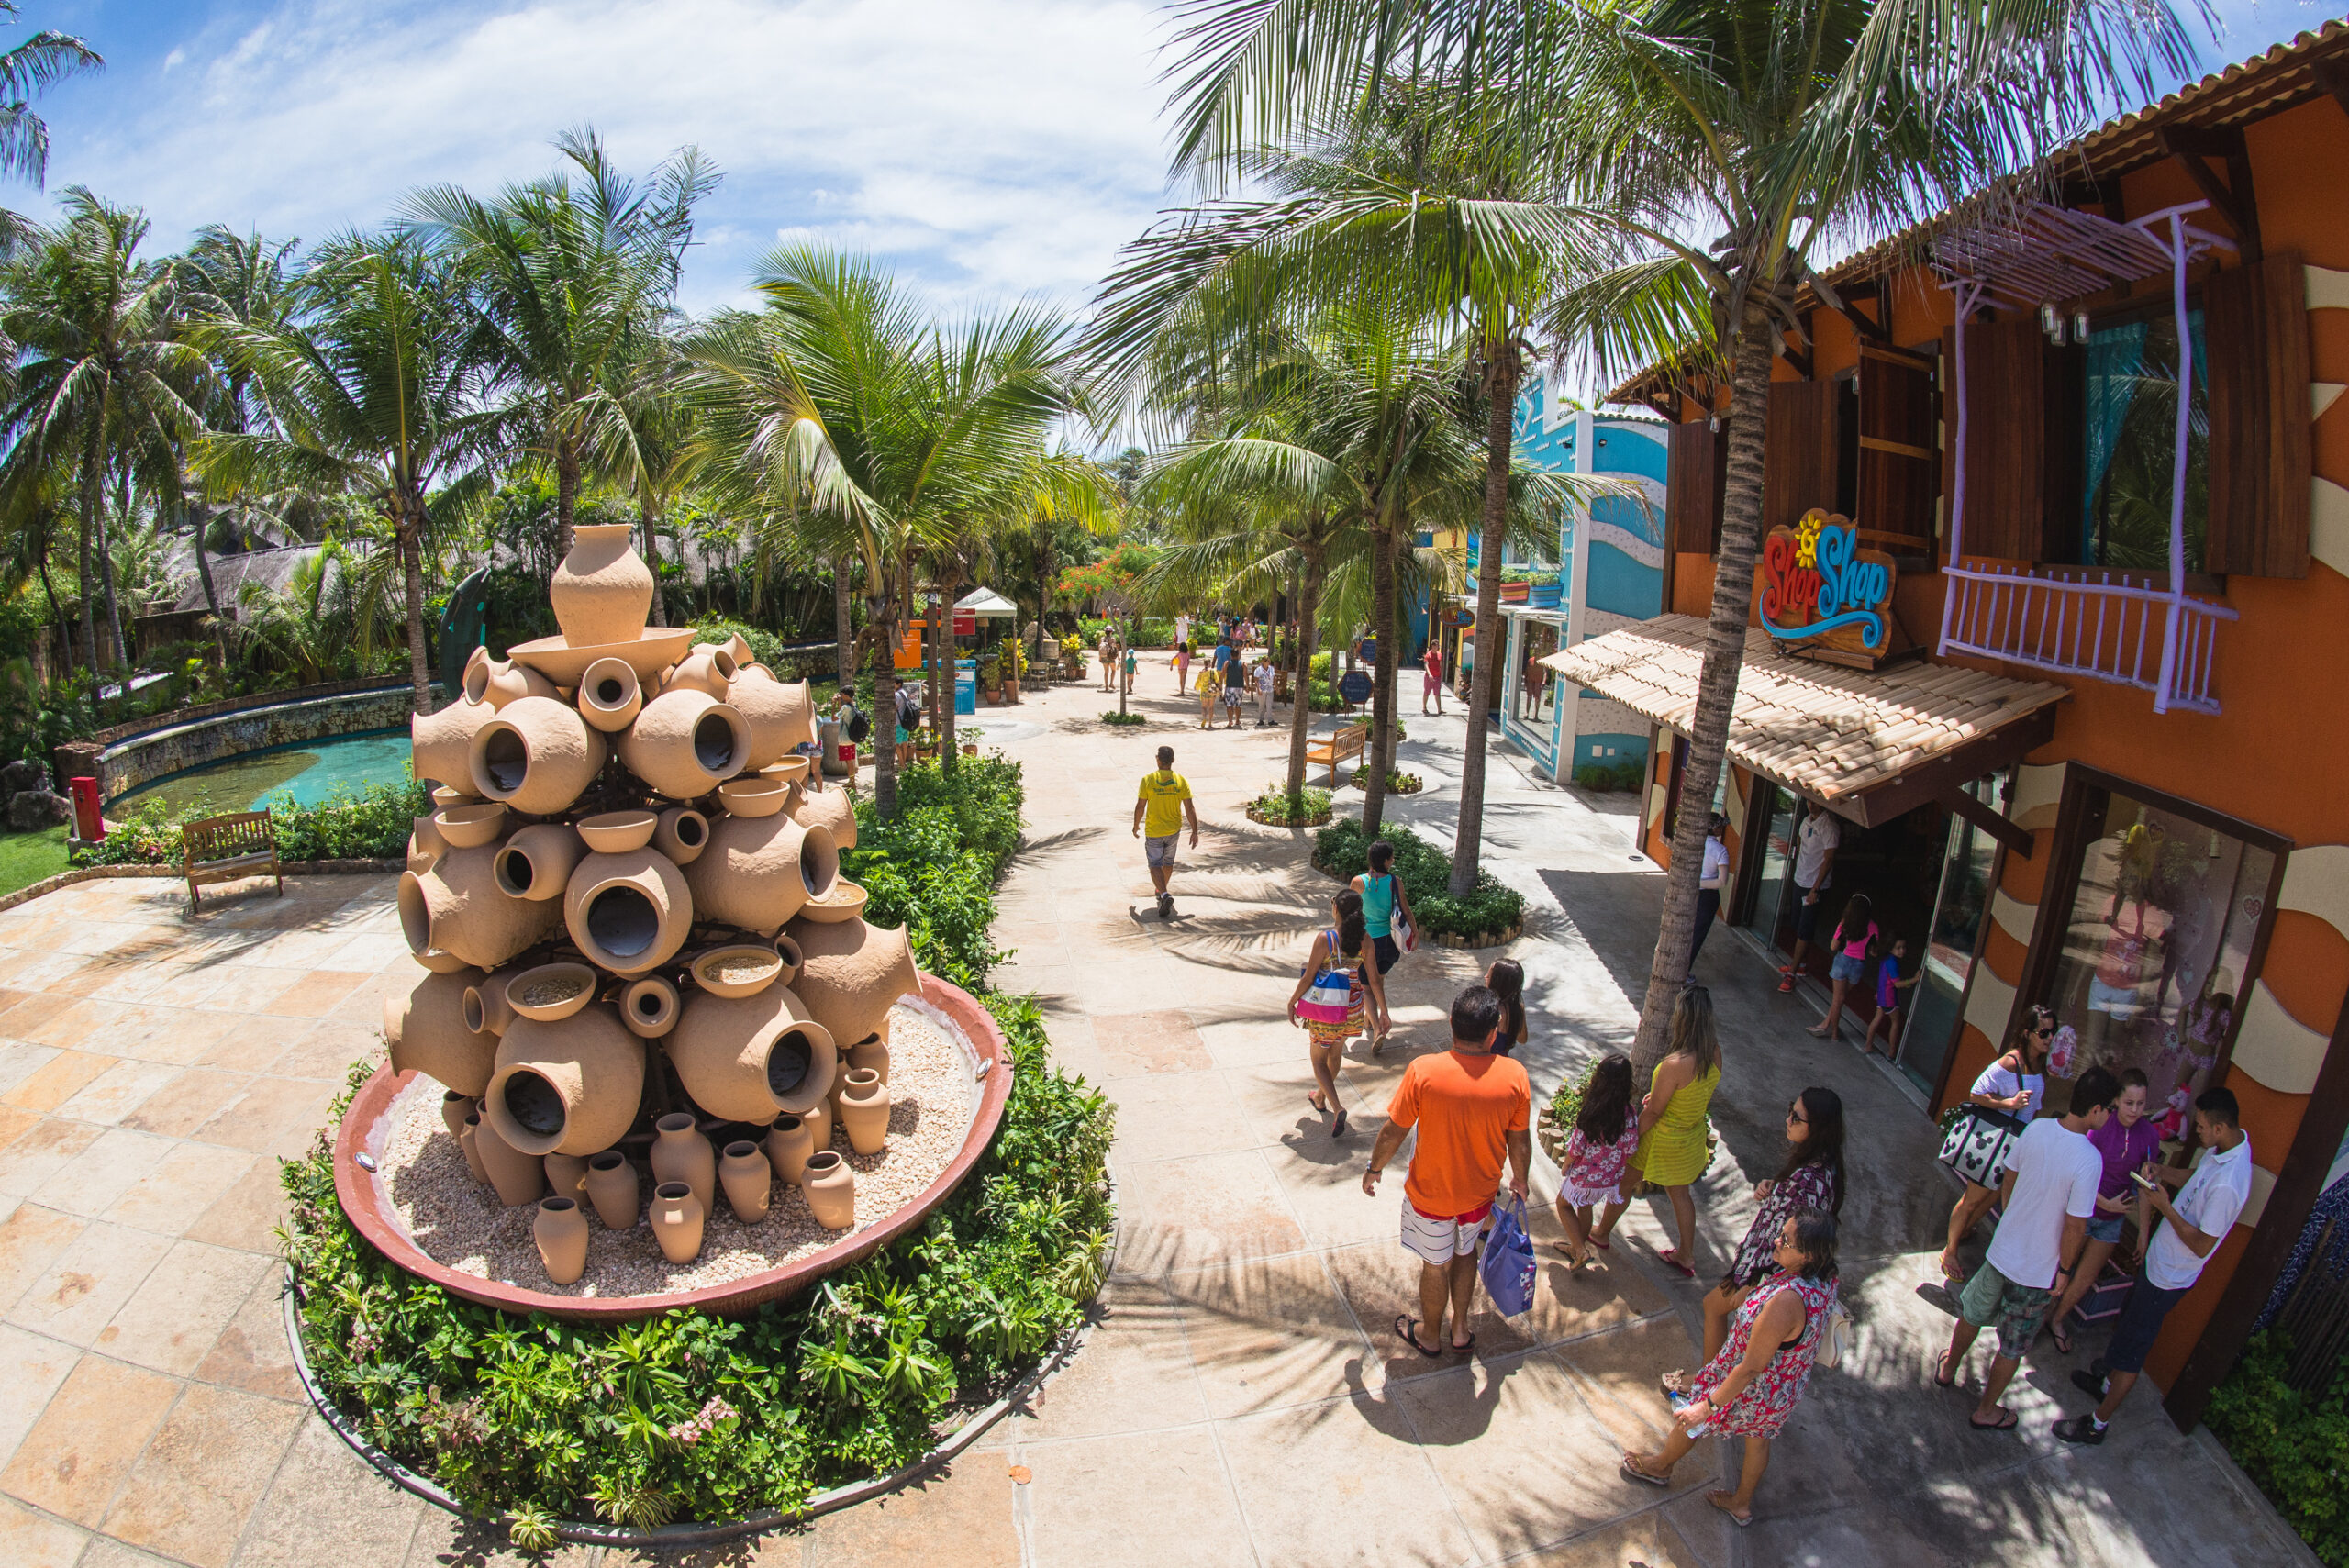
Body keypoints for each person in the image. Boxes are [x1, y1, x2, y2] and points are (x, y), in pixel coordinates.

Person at [2055, 1086, 2252, 1445]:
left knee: (2132, 1354)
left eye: (2204, 1127)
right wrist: (2162, 1170)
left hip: (2169, 1279)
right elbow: (2197, 1176)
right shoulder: (2223, 1149)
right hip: (2156, 1264)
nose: (2198, 1133)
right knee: (2126, 1326)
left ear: (2221, 1128)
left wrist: (2164, 1208)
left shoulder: (2230, 1185)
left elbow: (2202, 1244)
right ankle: (2105, 1382)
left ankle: (2097, 1424)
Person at [1621, 1210, 1842, 1528]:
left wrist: (1706, 1407)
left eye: (1786, 1241)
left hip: (1749, 1383)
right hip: (1783, 1388)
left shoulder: (1786, 1303)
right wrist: (1756, 1295)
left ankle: (1660, 1467)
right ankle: (1740, 1504)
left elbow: (1751, 1367)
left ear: (1807, 1254)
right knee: (1758, 1439)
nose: (1776, 1241)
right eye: (1781, 1233)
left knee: (1691, 1420)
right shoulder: (1824, 1276)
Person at [1938, 1064, 2120, 1432]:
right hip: (2037, 1272)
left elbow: (2010, 1174)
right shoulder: (2089, 1159)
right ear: (2096, 1109)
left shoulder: (2037, 1129)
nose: (2111, 1116)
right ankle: (1986, 1409)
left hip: (2002, 1250)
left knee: (1972, 1314)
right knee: (2012, 1346)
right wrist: (2066, 1270)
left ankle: (1948, 1368)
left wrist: (2011, 1216)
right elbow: (2075, 1224)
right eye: (2111, 1108)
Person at [1362, 985, 1532, 1357]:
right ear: (1494, 1032)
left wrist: (1374, 1168)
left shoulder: (1424, 1071)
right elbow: (1519, 1141)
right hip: (1480, 1198)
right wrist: (1520, 1179)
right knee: (1466, 1253)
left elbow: (1394, 1130)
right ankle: (1459, 1329)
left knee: (1435, 1266)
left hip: (1430, 1198)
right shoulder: (1515, 1076)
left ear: (1451, 1024)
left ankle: (1428, 1335)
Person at [1669, 1087, 1844, 1392]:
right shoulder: (1823, 1167)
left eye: (1796, 1117)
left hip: (1765, 1270)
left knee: (1714, 1309)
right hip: (1765, 1268)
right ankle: (1710, 1381)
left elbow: (1797, 1237)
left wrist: (1756, 1281)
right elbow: (1793, 1213)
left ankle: (1706, 1386)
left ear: (1815, 1129)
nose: (1787, 1119)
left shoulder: (1808, 1181)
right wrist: (1774, 1188)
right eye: (1791, 1108)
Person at [2043, 1067, 2159, 1354]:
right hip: (2083, 1210)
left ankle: (2057, 1321)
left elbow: (2145, 1187)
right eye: (2129, 1103)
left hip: (2112, 1221)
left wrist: (2143, 1233)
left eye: (2141, 1104)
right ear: (2117, 1100)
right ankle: (2038, 1317)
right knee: (2059, 1267)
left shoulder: (2149, 1135)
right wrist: (2104, 1203)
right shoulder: (2101, 1124)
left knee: (2084, 1279)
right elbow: (2077, 1169)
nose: (2135, 1110)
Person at [1938, 1005, 2057, 1283]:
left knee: (1992, 1196)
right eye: (2044, 1032)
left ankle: (1964, 1231)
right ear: (2028, 1033)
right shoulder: (2008, 1063)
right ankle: (1950, 1250)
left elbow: (2034, 1109)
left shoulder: (2039, 1066)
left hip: (2017, 1145)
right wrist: (2009, 1103)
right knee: (1972, 1199)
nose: (2050, 1038)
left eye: (2053, 1032)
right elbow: (1976, 1093)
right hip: (1995, 1144)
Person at [1622, 985, 1723, 1277]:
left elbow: (1653, 1113)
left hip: (1662, 1139)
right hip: (1690, 1138)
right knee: (1680, 1195)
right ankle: (1686, 1255)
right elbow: (1694, 1094)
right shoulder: (1715, 1053)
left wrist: (1633, 1137)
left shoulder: (1673, 1064)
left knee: (1625, 1184)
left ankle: (1601, 1233)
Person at [1286, 890, 1385, 1138]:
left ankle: (1338, 1106)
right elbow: (1373, 979)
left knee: (1319, 1059)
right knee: (1336, 1051)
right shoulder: (1366, 940)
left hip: (1325, 1008)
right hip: (1351, 1007)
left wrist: (1292, 1002)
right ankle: (1320, 1097)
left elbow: (1309, 976)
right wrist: (1383, 1013)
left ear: (1336, 910)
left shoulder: (1325, 939)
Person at [1555, 1053, 1640, 1266]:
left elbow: (1576, 1148)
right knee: (1585, 1207)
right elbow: (1631, 1148)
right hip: (1609, 1179)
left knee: (1563, 1205)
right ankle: (1576, 1249)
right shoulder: (1629, 1114)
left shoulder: (1591, 1112)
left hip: (1584, 1176)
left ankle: (1581, 1250)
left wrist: (1566, 1166)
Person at [1350, 840, 1417, 1029]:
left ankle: (1377, 1027)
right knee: (1378, 980)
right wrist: (1416, 934)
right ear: (1386, 861)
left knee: (1368, 988)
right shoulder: (1395, 882)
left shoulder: (1358, 882)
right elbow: (1406, 910)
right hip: (1389, 944)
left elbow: (1348, 907)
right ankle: (1369, 1021)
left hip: (1366, 943)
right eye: (1391, 857)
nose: (1393, 860)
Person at [1776, 806, 1841, 993]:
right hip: (1800, 880)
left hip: (1815, 886)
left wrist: (1816, 888)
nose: (1811, 804)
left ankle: (1793, 974)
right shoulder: (1806, 821)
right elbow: (1799, 842)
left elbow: (1829, 858)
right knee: (1797, 924)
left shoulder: (1829, 825)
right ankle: (1801, 964)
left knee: (1805, 929)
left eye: (1815, 801)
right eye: (1809, 801)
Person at [1131, 745, 1197, 919]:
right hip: (1173, 830)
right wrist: (1195, 831)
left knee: (1154, 864)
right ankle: (1161, 891)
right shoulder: (1180, 781)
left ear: (1158, 760)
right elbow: (1189, 808)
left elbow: (1140, 806)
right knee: (1167, 862)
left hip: (1154, 830)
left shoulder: (1148, 780)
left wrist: (1136, 825)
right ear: (1173, 761)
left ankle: (1164, 894)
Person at [1807, 894, 1877, 1040]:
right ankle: (1828, 1026)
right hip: (1858, 966)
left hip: (1842, 962)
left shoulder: (1845, 924)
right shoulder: (1873, 927)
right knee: (1840, 999)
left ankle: (1832, 1031)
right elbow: (1873, 952)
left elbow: (1833, 946)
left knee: (1837, 999)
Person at [1862, 938, 1919, 1058]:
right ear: (1891, 948)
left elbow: (1884, 978)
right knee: (1895, 1022)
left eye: (1903, 947)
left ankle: (1868, 1045)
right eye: (1898, 948)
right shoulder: (1893, 963)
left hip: (1882, 994)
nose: (1902, 950)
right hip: (1890, 997)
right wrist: (1913, 980)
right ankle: (1892, 1051)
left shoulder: (1885, 959)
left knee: (1876, 1019)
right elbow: (1897, 984)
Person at [1688, 813, 1729, 979]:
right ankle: (1684, 972)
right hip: (1707, 897)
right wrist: (1700, 883)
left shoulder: (1693, 844)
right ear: (1715, 829)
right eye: (1721, 826)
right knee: (1697, 935)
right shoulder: (1720, 850)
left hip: (1690, 893)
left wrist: (1693, 883)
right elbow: (1722, 882)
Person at [1484, 959, 1529, 1056]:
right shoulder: (1517, 1010)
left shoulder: (1483, 1007)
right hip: (1502, 1063)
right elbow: (1522, 1039)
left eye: (1489, 975)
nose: (1485, 977)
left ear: (1498, 982)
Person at [1193, 658, 1221, 729]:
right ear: (1210, 663)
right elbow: (1217, 680)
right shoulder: (1213, 671)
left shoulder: (1201, 672)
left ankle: (1204, 718)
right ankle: (1210, 723)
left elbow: (1198, 682)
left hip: (1204, 691)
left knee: (1204, 707)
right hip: (1212, 691)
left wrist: (1196, 687)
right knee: (1211, 707)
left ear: (1204, 664)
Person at [1220, 655, 1244, 728]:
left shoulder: (1227, 663)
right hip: (1239, 687)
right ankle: (1237, 720)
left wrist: (1220, 682)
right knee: (1238, 705)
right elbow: (1245, 674)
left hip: (1230, 686)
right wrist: (1247, 684)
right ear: (1238, 655)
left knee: (1229, 705)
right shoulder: (1243, 663)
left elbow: (1223, 673)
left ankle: (1230, 721)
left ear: (1231, 655)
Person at [1421, 641, 1445, 717]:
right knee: (1427, 692)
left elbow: (1440, 664)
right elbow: (1426, 665)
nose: (1436, 647)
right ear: (1432, 646)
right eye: (1435, 646)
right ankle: (1424, 707)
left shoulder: (1439, 654)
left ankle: (1439, 710)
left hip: (1438, 677)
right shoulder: (1428, 655)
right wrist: (1429, 674)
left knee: (1437, 693)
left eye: (1437, 646)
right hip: (1429, 677)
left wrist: (1441, 674)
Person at [1252, 657, 1276, 727]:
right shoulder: (1258, 670)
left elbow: (1274, 678)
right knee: (1262, 705)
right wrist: (1258, 689)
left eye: (1269, 661)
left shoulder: (1271, 669)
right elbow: (1256, 680)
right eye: (1266, 661)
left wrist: (1276, 687)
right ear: (1263, 662)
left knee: (1269, 705)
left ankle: (1270, 720)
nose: (1268, 662)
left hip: (1269, 689)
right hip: (1262, 689)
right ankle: (1261, 719)